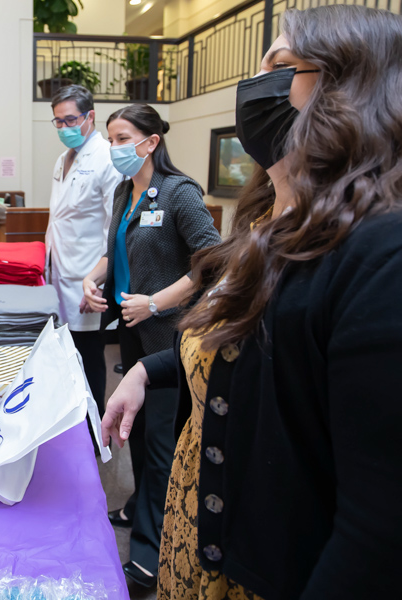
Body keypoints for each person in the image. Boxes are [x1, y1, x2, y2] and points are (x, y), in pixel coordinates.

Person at [103, 5, 402, 599]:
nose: (256, 89)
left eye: (282, 67)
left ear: (348, 91)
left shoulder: (379, 254)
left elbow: (379, 529)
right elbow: (240, 338)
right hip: (197, 542)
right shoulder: (266, 220)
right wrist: (144, 368)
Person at [82, 104, 220, 587]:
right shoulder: (126, 190)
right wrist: (92, 277)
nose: (114, 148)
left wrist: (156, 303)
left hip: (168, 338)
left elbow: (213, 262)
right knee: (135, 435)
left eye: (122, 138)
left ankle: (150, 554)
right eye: (111, 138)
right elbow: (114, 247)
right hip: (131, 333)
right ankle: (141, 509)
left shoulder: (179, 194)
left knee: (161, 444)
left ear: (151, 142)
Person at [45, 84, 121, 416]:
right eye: (58, 122)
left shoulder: (106, 157)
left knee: (89, 359)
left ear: (90, 117)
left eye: (70, 120)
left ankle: (93, 433)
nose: (64, 128)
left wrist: (101, 281)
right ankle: (70, 421)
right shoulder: (64, 158)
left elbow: (114, 228)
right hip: (60, 272)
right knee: (65, 355)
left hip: (87, 279)